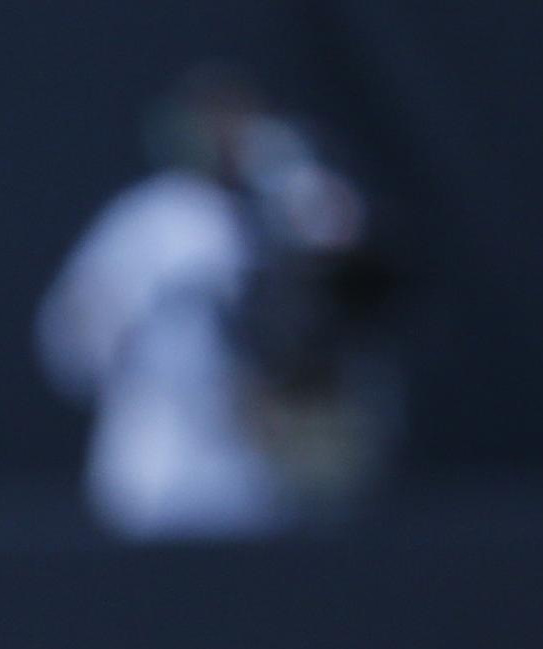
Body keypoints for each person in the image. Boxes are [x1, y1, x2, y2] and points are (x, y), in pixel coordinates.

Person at [38, 68, 399, 540]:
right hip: (162, 468)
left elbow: (363, 288)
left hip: (271, 474)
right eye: (216, 121)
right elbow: (71, 333)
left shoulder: (294, 199)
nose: (229, 136)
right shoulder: (157, 218)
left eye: (241, 120)